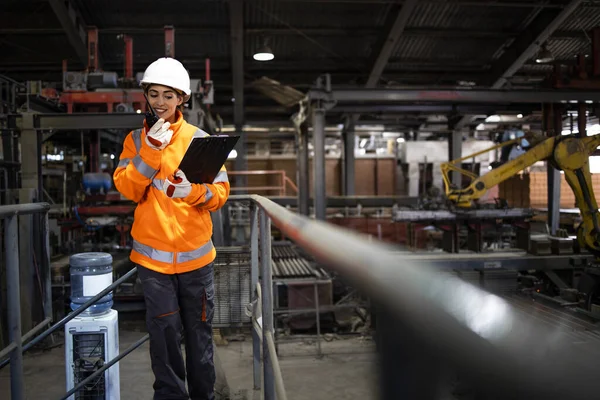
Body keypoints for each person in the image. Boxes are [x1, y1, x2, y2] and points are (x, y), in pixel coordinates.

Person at [113, 57, 230, 400]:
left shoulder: (201, 139)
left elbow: (220, 192)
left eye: (169, 95)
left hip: (196, 262)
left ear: (182, 98)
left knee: (199, 337)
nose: (160, 102)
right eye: (154, 94)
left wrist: (191, 192)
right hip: (154, 264)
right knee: (163, 337)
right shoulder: (135, 140)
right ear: (146, 97)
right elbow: (129, 189)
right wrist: (150, 151)